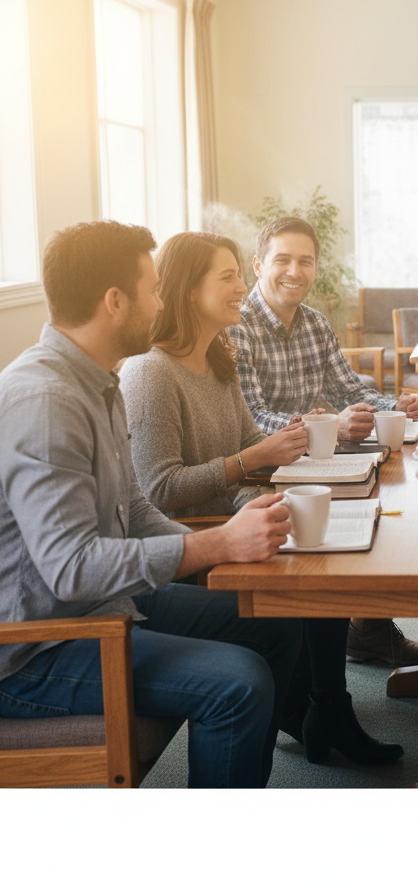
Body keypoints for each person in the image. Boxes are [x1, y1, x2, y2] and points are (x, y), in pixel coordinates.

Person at [0, 221, 303, 788]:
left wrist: (231, 547)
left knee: (276, 623)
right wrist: (214, 543)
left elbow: (136, 511)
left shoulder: (95, 380)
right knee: (241, 682)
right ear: (115, 302)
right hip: (35, 651)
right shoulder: (46, 401)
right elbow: (71, 568)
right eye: (155, 289)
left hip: (102, 608)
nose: (162, 303)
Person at [121, 230, 403, 766]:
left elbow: (252, 443)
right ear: (186, 289)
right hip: (190, 537)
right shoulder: (150, 372)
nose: (241, 288)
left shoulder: (218, 359)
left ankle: (327, 709)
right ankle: (315, 712)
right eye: (228, 277)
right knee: (309, 579)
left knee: (331, 552)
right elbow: (158, 489)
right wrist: (252, 465)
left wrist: (314, 454)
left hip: (232, 514)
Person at [230, 216, 418, 669]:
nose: (294, 271)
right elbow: (252, 418)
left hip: (313, 460)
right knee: (366, 502)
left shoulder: (315, 323)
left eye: (305, 261)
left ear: (316, 268)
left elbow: (349, 391)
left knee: (389, 497)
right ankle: (349, 637)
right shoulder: (237, 326)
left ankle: (367, 628)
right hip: (263, 468)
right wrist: (331, 428)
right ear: (259, 263)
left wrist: (393, 404)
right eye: (282, 260)